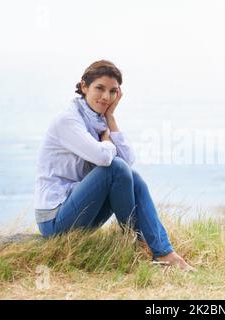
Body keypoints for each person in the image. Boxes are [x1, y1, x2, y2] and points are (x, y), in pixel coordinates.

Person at [34, 60, 194, 271]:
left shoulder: (99, 120)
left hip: (80, 212)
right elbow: (104, 159)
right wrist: (107, 142)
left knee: (131, 175)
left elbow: (127, 162)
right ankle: (138, 242)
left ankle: (164, 252)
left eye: (112, 91)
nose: (105, 97)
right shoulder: (68, 120)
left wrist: (111, 117)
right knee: (115, 168)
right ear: (84, 87)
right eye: (99, 88)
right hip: (55, 221)